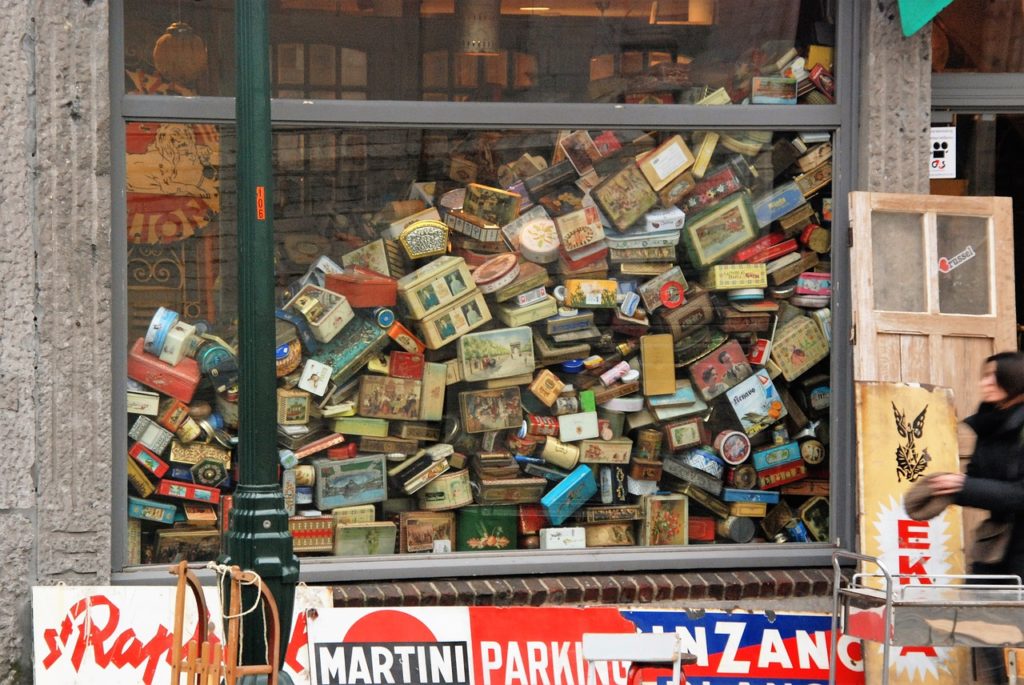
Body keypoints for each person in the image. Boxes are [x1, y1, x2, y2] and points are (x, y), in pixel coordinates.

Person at [929, 351, 1024, 684]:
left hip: (1020, 548)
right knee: (979, 625)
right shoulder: (990, 420)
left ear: (1014, 381)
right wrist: (946, 489)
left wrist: (965, 486)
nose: (984, 382)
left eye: (993, 376)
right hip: (998, 542)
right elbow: (977, 477)